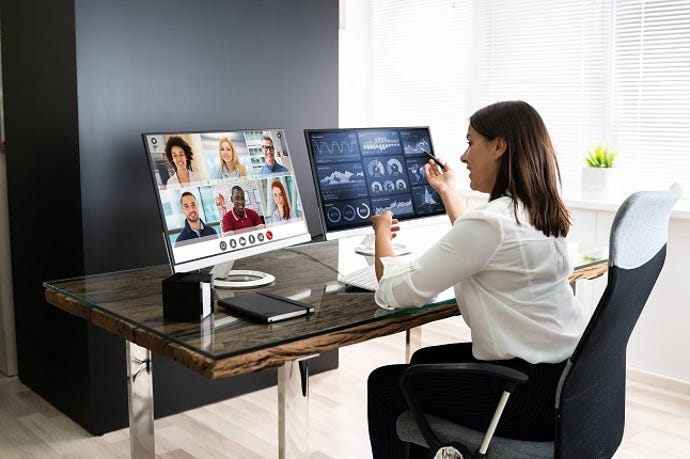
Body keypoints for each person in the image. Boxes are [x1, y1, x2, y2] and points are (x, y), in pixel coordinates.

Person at [367, 100, 587, 458]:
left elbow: (396, 291)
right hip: (566, 387)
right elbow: (486, 248)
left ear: (499, 147)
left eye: (471, 142)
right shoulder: (541, 211)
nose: (464, 157)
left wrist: (380, 232)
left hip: (521, 399)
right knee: (421, 362)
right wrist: (448, 191)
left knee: (384, 384)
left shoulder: (490, 223)